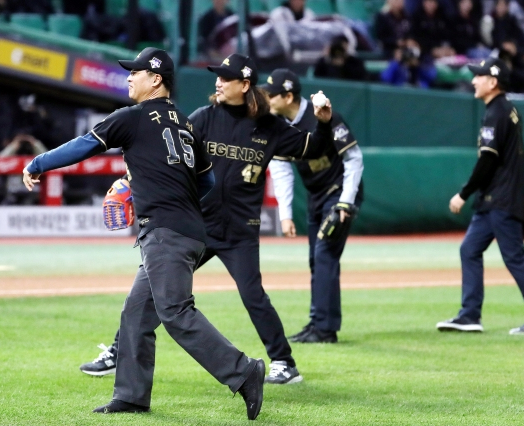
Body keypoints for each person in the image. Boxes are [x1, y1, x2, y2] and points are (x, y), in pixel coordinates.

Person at [22, 47, 265, 420]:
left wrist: (38, 163)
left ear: (156, 79)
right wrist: (162, 191)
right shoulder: (187, 125)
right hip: (190, 231)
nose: (129, 77)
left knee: (176, 313)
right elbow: (208, 182)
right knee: (136, 314)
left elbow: (84, 145)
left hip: (166, 233)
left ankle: (244, 371)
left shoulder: (133, 118)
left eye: (135, 72)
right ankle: (132, 395)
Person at [79, 53, 335, 384]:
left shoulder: (269, 126)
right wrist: (130, 182)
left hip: (239, 230)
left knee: (252, 295)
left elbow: (314, 148)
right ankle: (117, 351)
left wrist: (324, 122)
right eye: (217, 75)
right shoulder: (203, 117)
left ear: (245, 85)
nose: (218, 81)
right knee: (148, 292)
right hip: (195, 225)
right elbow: (164, 153)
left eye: (226, 77)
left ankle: (284, 363)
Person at [436, 57, 524, 335]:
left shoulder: (496, 113)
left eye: (479, 76)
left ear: (493, 82)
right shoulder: (507, 110)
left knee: (513, 257)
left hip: (499, 200)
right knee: (469, 250)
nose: (474, 80)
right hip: (496, 200)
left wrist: (463, 193)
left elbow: (488, 161)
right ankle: (469, 316)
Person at [261, 69, 364, 343]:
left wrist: (346, 201)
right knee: (315, 260)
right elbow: (281, 170)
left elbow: (354, 159)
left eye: (271, 94)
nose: (267, 98)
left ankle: (325, 329)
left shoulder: (324, 115)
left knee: (324, 256)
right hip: (317, 196)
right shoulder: (279, 125)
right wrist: (285, 215)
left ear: (288, 96)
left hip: (339, 193)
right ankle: (318, 323)